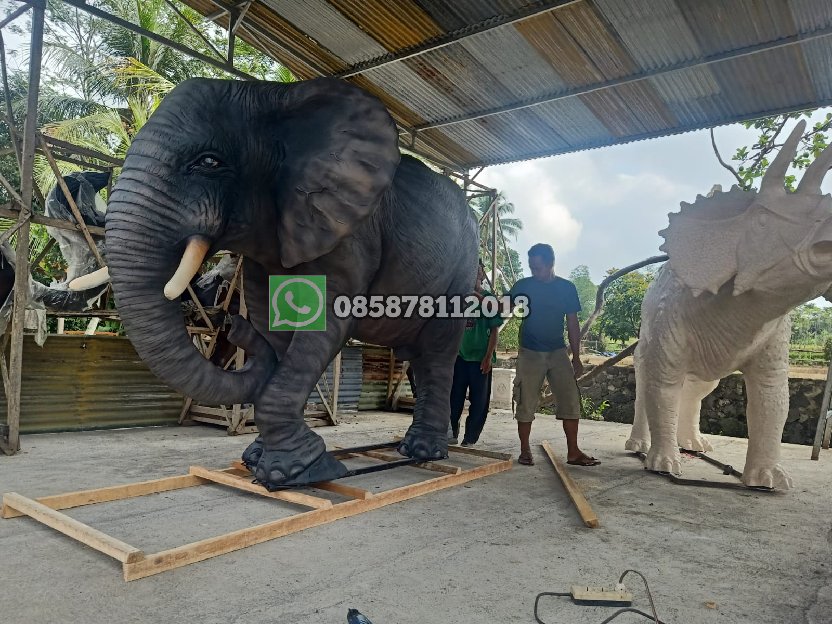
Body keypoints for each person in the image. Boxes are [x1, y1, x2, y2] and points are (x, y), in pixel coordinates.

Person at [508, 243, 600, 467]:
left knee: (570, 400)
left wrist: (576, 357)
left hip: (558, 352)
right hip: (529, 352)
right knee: (525, 401)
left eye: (538, 267)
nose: (534, 272)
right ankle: (524, 450)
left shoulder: (566, 288)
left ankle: (573, 452)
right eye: (531, 267)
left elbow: (572, 323)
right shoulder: (523, 285)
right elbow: (502, 308)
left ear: (550, 264)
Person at [448, 263, 502, 446]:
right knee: (454, 398)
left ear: (481, 274)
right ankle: (451, 432)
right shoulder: (458, 299)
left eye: (477, 271)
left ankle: (470, 438)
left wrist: (488, 357)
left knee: (479, 403)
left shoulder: (488, 299)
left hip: (481, 360)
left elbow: (495, 331)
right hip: (460, 358)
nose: (473, 274)